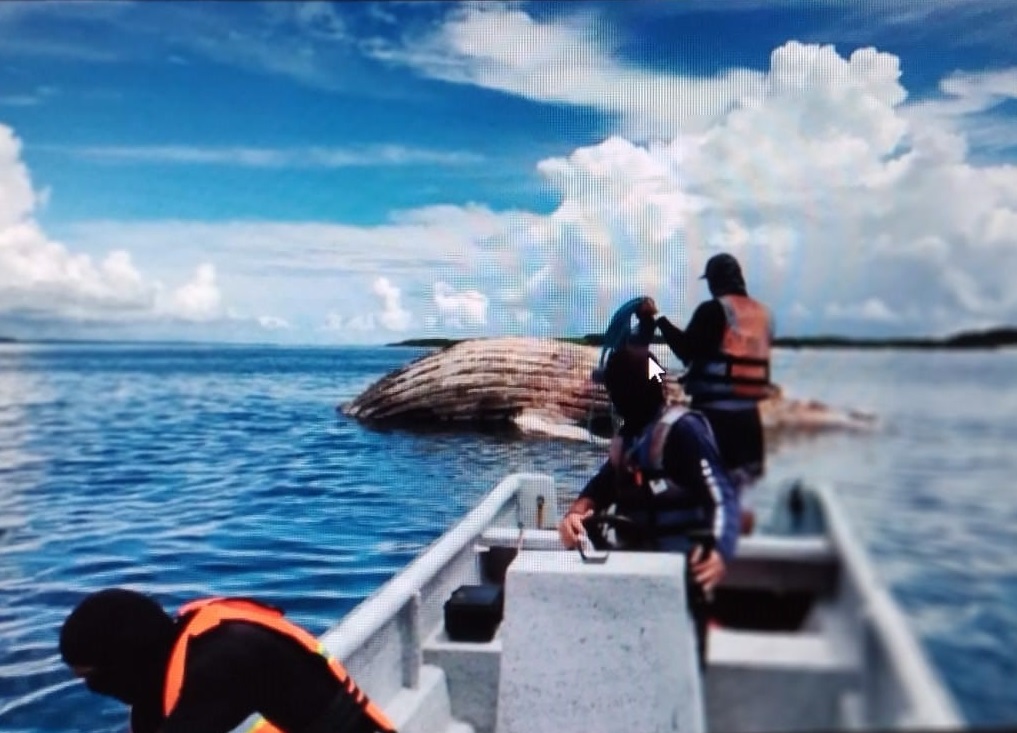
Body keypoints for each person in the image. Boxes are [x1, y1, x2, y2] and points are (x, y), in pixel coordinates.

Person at [558, 343, 741, 669]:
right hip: (634, 572)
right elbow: (600, 488)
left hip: (678, 577)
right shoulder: (630, 440)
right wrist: (575, 513)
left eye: (613, 390)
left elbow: (722, 496)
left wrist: (720, 550)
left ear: (625, 393)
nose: (610, 399)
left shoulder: (683, 432)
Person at [59, 589, 398, 733]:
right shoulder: (172, 662)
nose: (98, 689)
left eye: (95, 679)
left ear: (126, 658)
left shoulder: (227, 659)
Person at [636, 252, 774, 501]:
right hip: (751, 425)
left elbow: (686, 351)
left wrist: (656, 318)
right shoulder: (763, 315)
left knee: (698, 490)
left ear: (714, 281)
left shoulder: (712, 311)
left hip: (716, 421)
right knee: (739, 494)